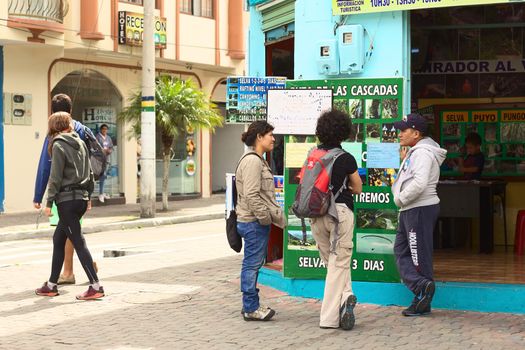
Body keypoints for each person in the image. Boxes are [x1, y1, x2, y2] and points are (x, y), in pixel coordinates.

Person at [35, 112, 104, 300]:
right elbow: (89, 173)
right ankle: (51, 284)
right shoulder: (80, 142)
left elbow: (55, 177)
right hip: (80, 199)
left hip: (66, 202)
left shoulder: (58, 144)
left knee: (79, 242)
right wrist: (88, 196)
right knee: (59, 239)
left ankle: (96, 286)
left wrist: (48, 202)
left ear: (54, 126)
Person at [309, 110, 362, 330]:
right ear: (344, 132)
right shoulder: (346, 158)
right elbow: (357, 188)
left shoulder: (312, 154)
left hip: (315, 213)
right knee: (339, 262)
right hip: (339, 213)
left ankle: (345, 297)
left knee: (332, 263)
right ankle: (329, 319)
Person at [392, 113, 447, 316]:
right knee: (401, 251)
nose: (399, 134)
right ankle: (422, 288)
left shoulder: (423, 153)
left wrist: (400, 198)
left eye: (403, 130)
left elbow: (420, 183)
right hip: (410, 209)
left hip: (419, 208)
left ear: (416, 133)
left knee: (418, 256)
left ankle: (422, 295)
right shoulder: (416, 151)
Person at [235, 121, 285, 321]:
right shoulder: (253, 161)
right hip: (253, 222)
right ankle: (250, 307)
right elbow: (251, 195)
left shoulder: (258, 160)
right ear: (259, 137)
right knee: (252, 264)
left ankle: (250, 304)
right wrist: (264, 218)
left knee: (252, 264)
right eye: (270, 134)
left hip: (254, 221)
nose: (273, 138)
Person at [95, 124, 114, 203]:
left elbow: (111, 147)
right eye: (103, 129)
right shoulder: (97, 137)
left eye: (106, 129)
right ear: (101, 129)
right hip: (99, 160)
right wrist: (102, 150)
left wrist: (109, 150)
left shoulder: (108, 138)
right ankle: (100, 193)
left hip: (106, 159)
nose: (105, 130)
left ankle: (102, 193)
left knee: (104, 176)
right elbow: (95, 147)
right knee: (101, 176)